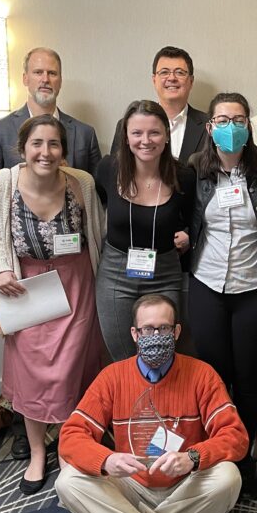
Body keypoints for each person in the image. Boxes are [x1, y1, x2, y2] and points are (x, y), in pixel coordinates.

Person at [56, 293, 247, 513]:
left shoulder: (202, 374)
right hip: (132, 486)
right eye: (147, 329)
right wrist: (107, 460)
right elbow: (71, 435)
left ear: (177, 332)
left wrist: (192, 458)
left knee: (228, 477)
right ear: (134, 334)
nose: (155, 336)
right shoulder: (112, 377)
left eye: (164, 328)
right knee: (67, 482)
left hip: (185, 486)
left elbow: (236, 437)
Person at [0, 46, 102, 462]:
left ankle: (73, 448)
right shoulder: (1, 184)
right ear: (22, 147)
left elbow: (99, 231)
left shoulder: (81, 183)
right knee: (32, 373)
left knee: (75, 368)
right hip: (27, 286)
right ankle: (35, 452)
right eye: (36, 144)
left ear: (64, 150)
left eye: (53, 144)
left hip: (77, 284)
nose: (45, 152)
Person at [187, 92, 257, 487]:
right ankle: (215, 446)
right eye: (223, 120)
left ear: (249, 125)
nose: (231, 127)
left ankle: (242, 450)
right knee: (213, 373)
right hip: (207, 283)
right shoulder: (194, 168)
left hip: (255, 286)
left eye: (239, 119)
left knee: (248, 374)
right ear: (210, 127)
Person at [96, 100, 195, 362]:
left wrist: (188, 234)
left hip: (164, 272)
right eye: (137, 133)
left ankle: (161, 405)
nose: (145, 140)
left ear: (166, 136)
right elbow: (92, 205)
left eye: (154, 132)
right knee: (124, 358)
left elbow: (196, 218)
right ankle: (131, 405)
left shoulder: (183, 176)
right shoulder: (109, 169)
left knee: (161, 355)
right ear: (126, 137)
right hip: (116, 275)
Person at [0, 47, 101, 174]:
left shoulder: (86, 134)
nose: (45, 79)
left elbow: (97, 190)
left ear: (60, 81)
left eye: (52, 73)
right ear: (25, 78)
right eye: (38, 72)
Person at [110, 46, 208, 164]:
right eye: (164, 72)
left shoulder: (209, 126)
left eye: (179, 72)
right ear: (154, 80)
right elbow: (118, 171)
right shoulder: (127, 125)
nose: (172, 78)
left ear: (191, 81)